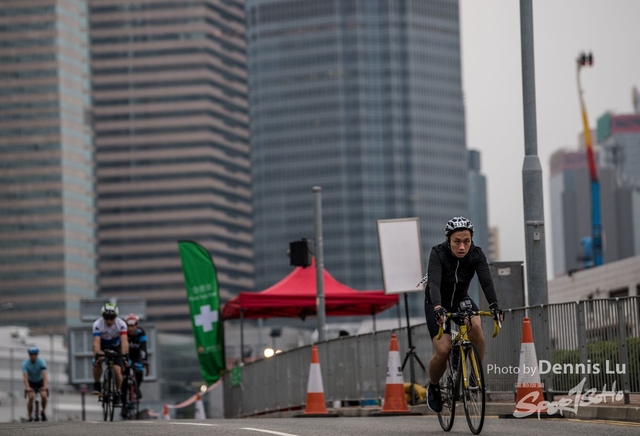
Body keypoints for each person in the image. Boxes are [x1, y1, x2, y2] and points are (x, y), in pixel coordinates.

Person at [423, 216, 504, 413]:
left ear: (471, 240)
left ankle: (475, 375)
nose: (462, 247)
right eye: (457, 241)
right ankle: (433, 386)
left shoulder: (476, 254)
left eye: (466, 241)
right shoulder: (438, 253)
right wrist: (437, 307)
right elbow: (433, 283)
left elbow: (486, 281)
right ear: (448, 240)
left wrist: (494, 305)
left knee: (476, 327)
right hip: (436, 302)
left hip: (461, 299)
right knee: (443, 350)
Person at [92, 303, 129, 407]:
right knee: (97, 361)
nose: (109, 321)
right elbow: (96, 343)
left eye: (112, 318)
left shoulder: (121, 324)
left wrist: (125, 356)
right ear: (102, 317)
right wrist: (97, 355)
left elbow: (124, 342)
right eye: (106, 318)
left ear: (115, 317)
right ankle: (97, 384)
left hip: (116, 347)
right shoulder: (97, 324)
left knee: (117, 370)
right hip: (102, 346)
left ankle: (117, 392)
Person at [123, 314, 148, 401]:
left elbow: (144, 348)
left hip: (136, 356)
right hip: (126, 356)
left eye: (133, 326)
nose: (131, 329)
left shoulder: (141, 333)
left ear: (136, 325)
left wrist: (145, 361)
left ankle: (136, 388)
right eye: (129, 326)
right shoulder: (123, 333)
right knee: (124, 377)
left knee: (139, 372)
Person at [22, 346, 48, 421]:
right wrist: (27, 387)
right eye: (31, 355)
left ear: (37, 355)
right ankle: (29, 416)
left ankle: (43, 411)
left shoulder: (41, 362)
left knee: (44, 396)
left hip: (40, 381)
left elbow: (45, 376)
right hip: (31, 382)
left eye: (35, 355)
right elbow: (25, 377)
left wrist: (45, 387)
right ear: (29, 355)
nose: (33, 356)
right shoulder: (25, 363)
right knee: (31, 397)